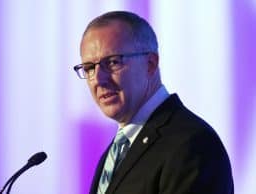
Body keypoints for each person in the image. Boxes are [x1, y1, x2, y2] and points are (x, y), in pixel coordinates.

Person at [73, 11, 234, 194]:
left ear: (150, 63)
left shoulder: (192, 144)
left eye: (112, 62)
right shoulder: (115, 152)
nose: (98, 79)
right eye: (88, 68)